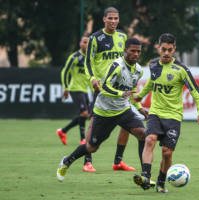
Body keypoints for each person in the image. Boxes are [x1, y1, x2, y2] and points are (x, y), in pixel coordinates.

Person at [56, 37, 150, 182]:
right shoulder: (117, 65)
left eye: (138, 51)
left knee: (143, 134)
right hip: (104, 112)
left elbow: (131, 91)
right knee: (92, 147)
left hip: (123, 110)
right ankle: (67, 161)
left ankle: (145, 176)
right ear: (125, 51)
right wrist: (120, 94)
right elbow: (103, 87)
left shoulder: (138, 70)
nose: (136, 54)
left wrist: (139, 107)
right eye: (133, 51)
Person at [133, 33, 199, 193]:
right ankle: (145, 176)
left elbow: (195, 91)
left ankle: (161, 182)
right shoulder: (153, 65)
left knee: (166, 153)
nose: (166, 53)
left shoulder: (181, 69)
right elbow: (151, 84)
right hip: (155, 113)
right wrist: (139, 96)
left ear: (174, 49)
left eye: (169, 50)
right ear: (158, 48)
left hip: (173, 117)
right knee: (149, 140)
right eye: (163, 49)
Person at [84, 7, 137, 171]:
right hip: (103, 87)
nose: (113, 21)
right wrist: (92, 78)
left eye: (116, 18)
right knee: (94, 122)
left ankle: (118, 161)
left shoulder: (122, 36)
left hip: (121, 86)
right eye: (110, 18)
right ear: (104, 19)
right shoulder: (95, 38)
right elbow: (88, 62)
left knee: (126, 123)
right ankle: (87, 161)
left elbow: (127, 59)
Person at [56, 35, 90, 146]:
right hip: (75, 88)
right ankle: (83, 139)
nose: (85, 44)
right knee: (84, 113)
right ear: (80, 44)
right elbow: (65, 72)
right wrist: (66, 87)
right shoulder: (75, 57)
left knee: (85, 114)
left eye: (87, 42)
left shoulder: (90, 58)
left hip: (84, 90)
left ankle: (63, 131)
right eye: (84, 42)